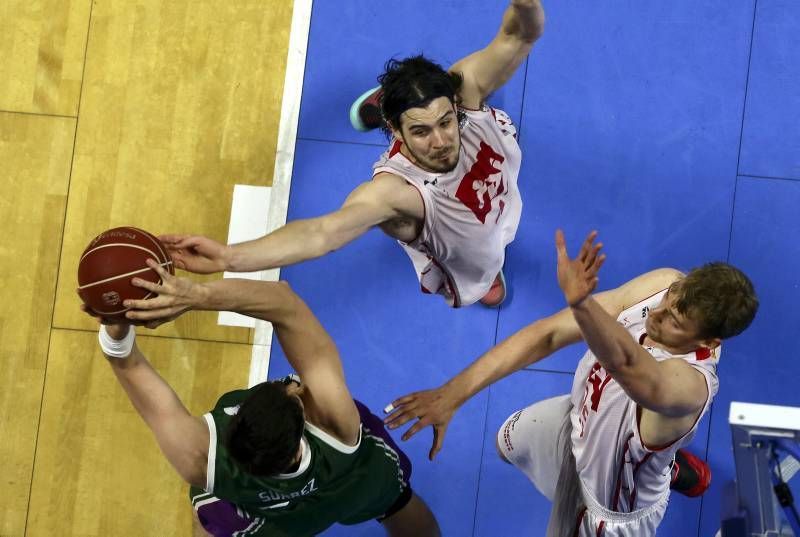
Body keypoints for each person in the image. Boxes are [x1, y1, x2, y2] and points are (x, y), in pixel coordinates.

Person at [155, 0, 545, 307]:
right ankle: (488, 269)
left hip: (496, 194)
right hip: (459, 235)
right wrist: (227, 258)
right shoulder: (394, 194)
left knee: (468, 87)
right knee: (479, 260)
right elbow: (322, 233)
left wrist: (525, 4)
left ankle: (396, 99)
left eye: (445, 122)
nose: (441, 142)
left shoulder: (463, 90)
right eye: (421, 132)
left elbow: (519, 37)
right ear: (396, 131)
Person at [384, 230, 758, 535]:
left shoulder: (689, 387)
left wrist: (581, 304)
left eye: (674, 321)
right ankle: (668, 463)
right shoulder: (664, 284)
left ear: (709, 342)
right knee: (507, 442)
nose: (656, 315)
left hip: (608, 506)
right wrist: (452, 394)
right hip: (578, 419)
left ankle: (662, 465)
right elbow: (548, 335)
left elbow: (627, 364)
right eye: (669, 301)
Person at [86, 262, 440, 537]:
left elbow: (124, 360)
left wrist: (115, 320)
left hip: (267, 518)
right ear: (302, 416)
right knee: (398, 503)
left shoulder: (200, 460)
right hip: (353, 482)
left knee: (210, 521)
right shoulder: (336, 421)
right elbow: (285, 303)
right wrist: (194, 295)